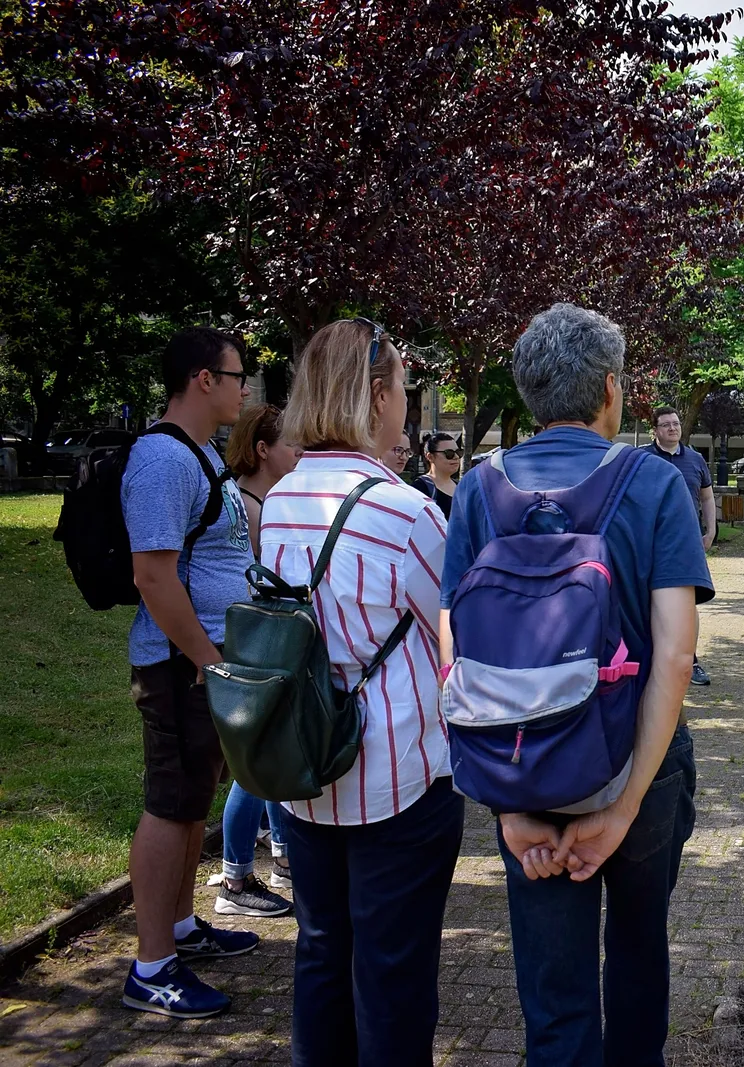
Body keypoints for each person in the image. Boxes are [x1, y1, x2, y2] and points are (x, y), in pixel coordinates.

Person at [440, 303, 710, 1067]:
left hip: (523, 767)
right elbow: (675, 657)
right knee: (636, 957)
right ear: (611, 388)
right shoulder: (653, 483)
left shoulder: (478, 490)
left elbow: (455, 649)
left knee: (553, 999)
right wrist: (621, 809)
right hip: (639, 770)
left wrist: (510, 808)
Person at [261, 318, 462, 1066]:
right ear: (376, 395)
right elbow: (456, 632)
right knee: (394, 977)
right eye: (404, 390)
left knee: (319, 955)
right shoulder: (405, 512)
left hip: (305, 765)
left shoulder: (282, 499)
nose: (406, 406)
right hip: (397, 776)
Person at [121, 327, 259, 1019]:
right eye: (239, 375)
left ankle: (178, 929)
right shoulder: (161, 459)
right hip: (180, 666)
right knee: (170, 803)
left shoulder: (199, 453)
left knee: (193, 799)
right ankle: (150, 967)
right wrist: (205, 656)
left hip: (202, 664)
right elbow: (153, 574)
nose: (246, 387)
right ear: (204, 378)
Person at [213, 403, 303, 917]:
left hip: (267, 644)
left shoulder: (268, 501)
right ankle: (235, 879)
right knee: (253, 767)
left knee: (270, 757)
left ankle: (280, 860)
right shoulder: (249, 507)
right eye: (289, 444)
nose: (298, 453)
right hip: (256, 646)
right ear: (263, 449)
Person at [645, 406, 715, 686]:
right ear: (656, 430)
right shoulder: (642, 459)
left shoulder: (696, 459)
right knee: (649, 602)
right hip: (650, 542)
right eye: (666, 425)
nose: (673, 428)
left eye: (675, 424)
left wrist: (711, 530)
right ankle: (652, 658)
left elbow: (707, 498)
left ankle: (691, 660)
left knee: (687, 604)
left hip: (688, 543)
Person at [413, 432, 460, 518]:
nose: (456, 457)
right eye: (449, 453)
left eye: (458, 452)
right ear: (430, 457)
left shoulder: (461, 487)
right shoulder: (420, 488)